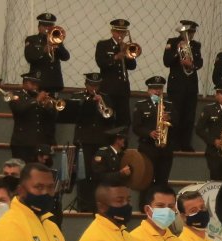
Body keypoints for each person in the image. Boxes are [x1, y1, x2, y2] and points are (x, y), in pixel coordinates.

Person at [65, 73, 113, 210]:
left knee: (98, 174)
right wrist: (88, 104)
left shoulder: (106, 98)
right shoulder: (78, 97)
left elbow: (110, 118)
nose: (94, 88)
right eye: (92, 85)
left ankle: (98, 204)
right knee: (83, 174)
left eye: (97, 85)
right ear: (86, 84)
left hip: (100, 141)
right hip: (84, 140)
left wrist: (100, 104)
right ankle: (84, 204)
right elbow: (73, 115)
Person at [163, 20, 203, 151]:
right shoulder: (172, 42)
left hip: (190, 85)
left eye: (192, 32)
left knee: (189, 116)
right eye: (188, 32)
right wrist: (177, 51)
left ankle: (186, 143)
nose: (190, 35)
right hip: (176, 85)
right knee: (175, 114)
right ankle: (173, 143)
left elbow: (199, 62)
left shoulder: (196, 45)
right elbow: (166, 61)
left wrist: (191, 64)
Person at [133, 76, 175, 200]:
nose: (157, 91)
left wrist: (170, 119)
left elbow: (178, 124)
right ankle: (144, 205)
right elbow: (136, 127)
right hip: (147, 148)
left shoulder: (169, 105)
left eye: (160, 89)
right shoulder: (141, 105)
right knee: (146, 178)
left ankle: (161, 204)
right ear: (148, 91)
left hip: (165, 148)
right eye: (154, 89)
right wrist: (149, 133)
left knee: (162, 179)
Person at [95, 19, 138, 129]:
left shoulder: (125, 46)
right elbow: (101, 63)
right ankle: (107, 144)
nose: (121, 35)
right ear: (112, 32)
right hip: (108, 89)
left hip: (123, 89)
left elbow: (132, 66)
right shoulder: (103, 45)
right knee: (108, 118)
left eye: (123, 32)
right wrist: (115, 57)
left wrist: (127, 53)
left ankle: (121, 145)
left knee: (124, 120)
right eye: (118, 32)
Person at [9, 73, 59, 163]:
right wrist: (36, 100)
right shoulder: (15, 95)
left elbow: (52, 118)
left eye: (37, 84)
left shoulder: (39, 97)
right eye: (32, 84)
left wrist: (49, 107)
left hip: (39, 142)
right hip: (22, 142)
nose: (35, 87)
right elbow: (19, 109)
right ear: (24, 83)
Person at [24, 13, 69, 94]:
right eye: (45, 26)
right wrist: (43, 50)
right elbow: (29, 57)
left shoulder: (56, 40)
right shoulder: (32, 40)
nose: (48, 28)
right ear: (39, 27)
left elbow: (66, 57)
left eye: (50, 26)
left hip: (54, 83)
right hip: (38, 82)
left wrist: (59, 45)